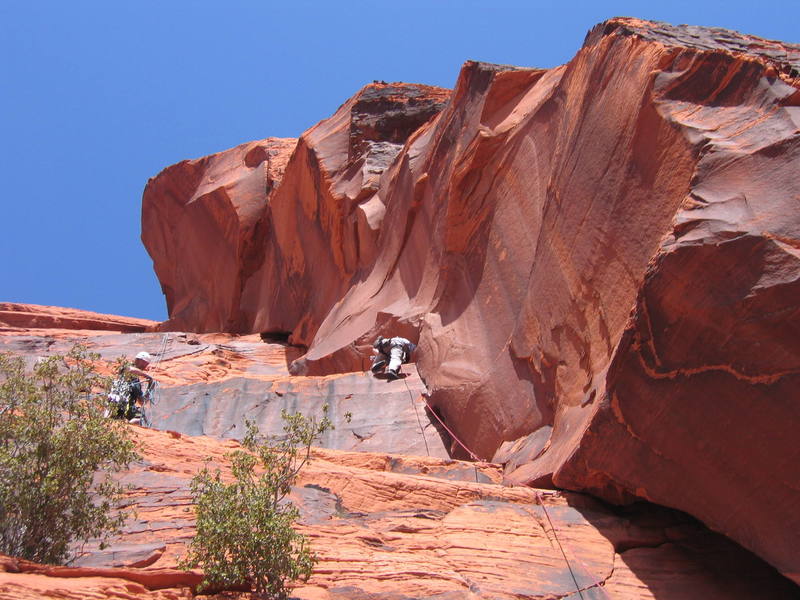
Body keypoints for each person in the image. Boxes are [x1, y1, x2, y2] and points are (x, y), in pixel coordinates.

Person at [107, 351, 156, 425]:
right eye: (144, 363)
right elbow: (129, 369)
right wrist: (146, 375)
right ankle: (128, 427)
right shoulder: (127, 368)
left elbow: (142, 401)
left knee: (138, 418)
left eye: (146, 364)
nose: (144, 367)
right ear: (138, 360)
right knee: (137, 419)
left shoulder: (136, 380)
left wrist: (150, 387)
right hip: (119, 401)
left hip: (124, 404)